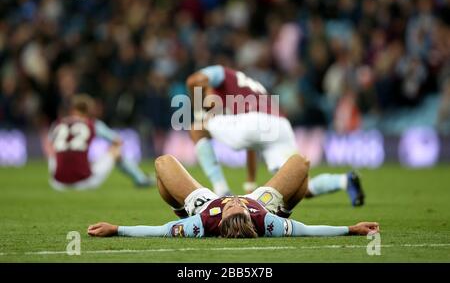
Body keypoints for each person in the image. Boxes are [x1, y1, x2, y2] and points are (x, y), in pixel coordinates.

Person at [185, 65, 364, 206]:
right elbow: (252, 143)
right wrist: (250, 184)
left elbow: (194, 79)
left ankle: (221, 190)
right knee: (300, 185)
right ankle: (344, 180)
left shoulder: (222, 75)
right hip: (279, 126)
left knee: (196, 128)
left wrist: (199, 110)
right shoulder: (248, 89)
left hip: (255, 123)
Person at [88, 154, 379, 238]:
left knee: (162, 165)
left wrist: (117, 229)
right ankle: (287, 206)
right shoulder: (267, 222)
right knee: (301, 164)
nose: (234, 201)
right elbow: (309, 231)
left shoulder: (201, 225)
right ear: (250, 217)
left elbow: (158, 231)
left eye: (231, 208)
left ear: (221, 218)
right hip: (266, 202)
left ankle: (180, 207)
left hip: (202, 205)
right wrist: (351, 229)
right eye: (239, 206)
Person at [46, 94, 154, 190]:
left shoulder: (58, 124)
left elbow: (49, 146)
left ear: (72, 109)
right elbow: (118, 141)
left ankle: (63, 173)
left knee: (54, 151)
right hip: (84, 182)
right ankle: (141, 179)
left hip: (57, 183)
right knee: (115, 150)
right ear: (89, 110)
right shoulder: (92, 124)